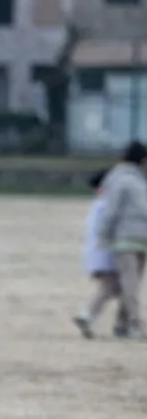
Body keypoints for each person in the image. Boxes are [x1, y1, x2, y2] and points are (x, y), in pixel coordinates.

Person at [96, 140, 147, 340]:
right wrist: (104, 235)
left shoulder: (134, 179)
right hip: (126, 238)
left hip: (138, 238)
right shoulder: (124, 180)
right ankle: (134, 325)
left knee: (131, 284)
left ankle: (122, 324)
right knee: (130, 284)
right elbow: (112, 211)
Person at [75, 169, 127, 339]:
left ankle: (119, 323)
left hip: (98, 252)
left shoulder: (98, 204)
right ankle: (88, 315)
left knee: (115, 288)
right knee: (110, 287)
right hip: (106, 253)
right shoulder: (106, 205)